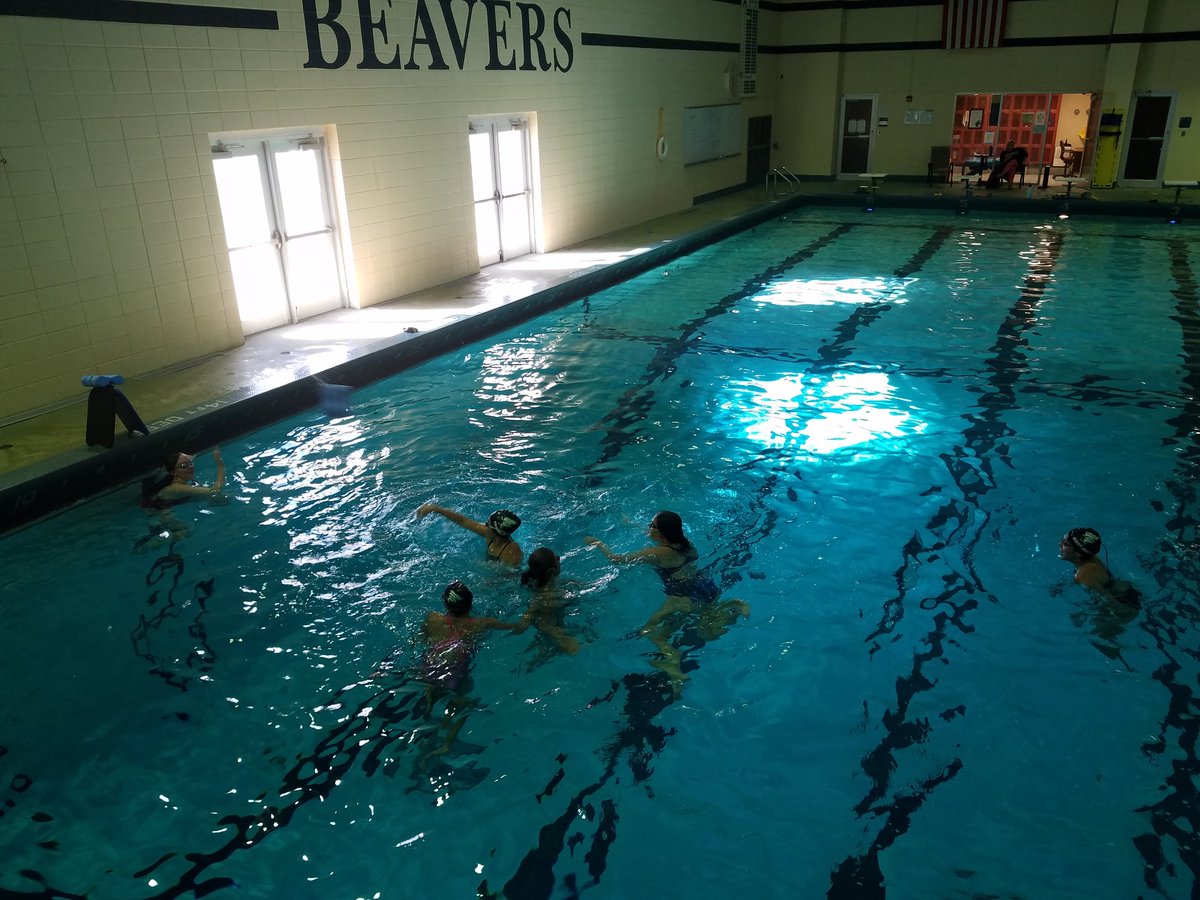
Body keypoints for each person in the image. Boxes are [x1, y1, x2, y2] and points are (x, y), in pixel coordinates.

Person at [584, 511, 749, 685]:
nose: (648, 528)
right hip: (705, 586)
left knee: (651, 632)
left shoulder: (658, 553)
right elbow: (656, 537)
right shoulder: (686, 544)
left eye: (651, 525)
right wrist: (631, 523)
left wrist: (598, 543)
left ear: (662, 532)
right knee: (691, 624)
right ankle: (734, 606)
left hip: (683, 597)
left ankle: (674, 655)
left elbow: (616, 559)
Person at [136, 448, 225, 546]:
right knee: (185, 530)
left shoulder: (179, 478)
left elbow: (189, 458)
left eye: (190, 463)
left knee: (220, 499)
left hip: (161, 503)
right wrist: (220, 464)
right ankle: (145, 548)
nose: (190, 467)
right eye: (184, 466)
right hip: (159, 511)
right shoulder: (178, 488)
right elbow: (214, 490)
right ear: (173, 472)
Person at [1058, 527, 1142, 609]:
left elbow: (1109, 600)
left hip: (1122, 602)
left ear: (1078, 553)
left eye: (1065, 544)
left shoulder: (1082, 574)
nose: (1060, 544)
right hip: (1126, 589)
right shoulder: (1091, 557)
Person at [416, 503, 523, 566]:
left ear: (496, 532)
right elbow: (463, 521)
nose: (485, 526)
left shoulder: (512, 553)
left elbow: (511, 578)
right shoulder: (490, 535)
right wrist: (436, 509)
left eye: (488, 524)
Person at [520, 547, 580, 655]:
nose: (559, 559)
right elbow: (544, 624)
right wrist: (561, 636)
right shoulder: (549, 598)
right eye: (557, 559)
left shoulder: (535, 583)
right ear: (551, 571)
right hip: (552, 637)